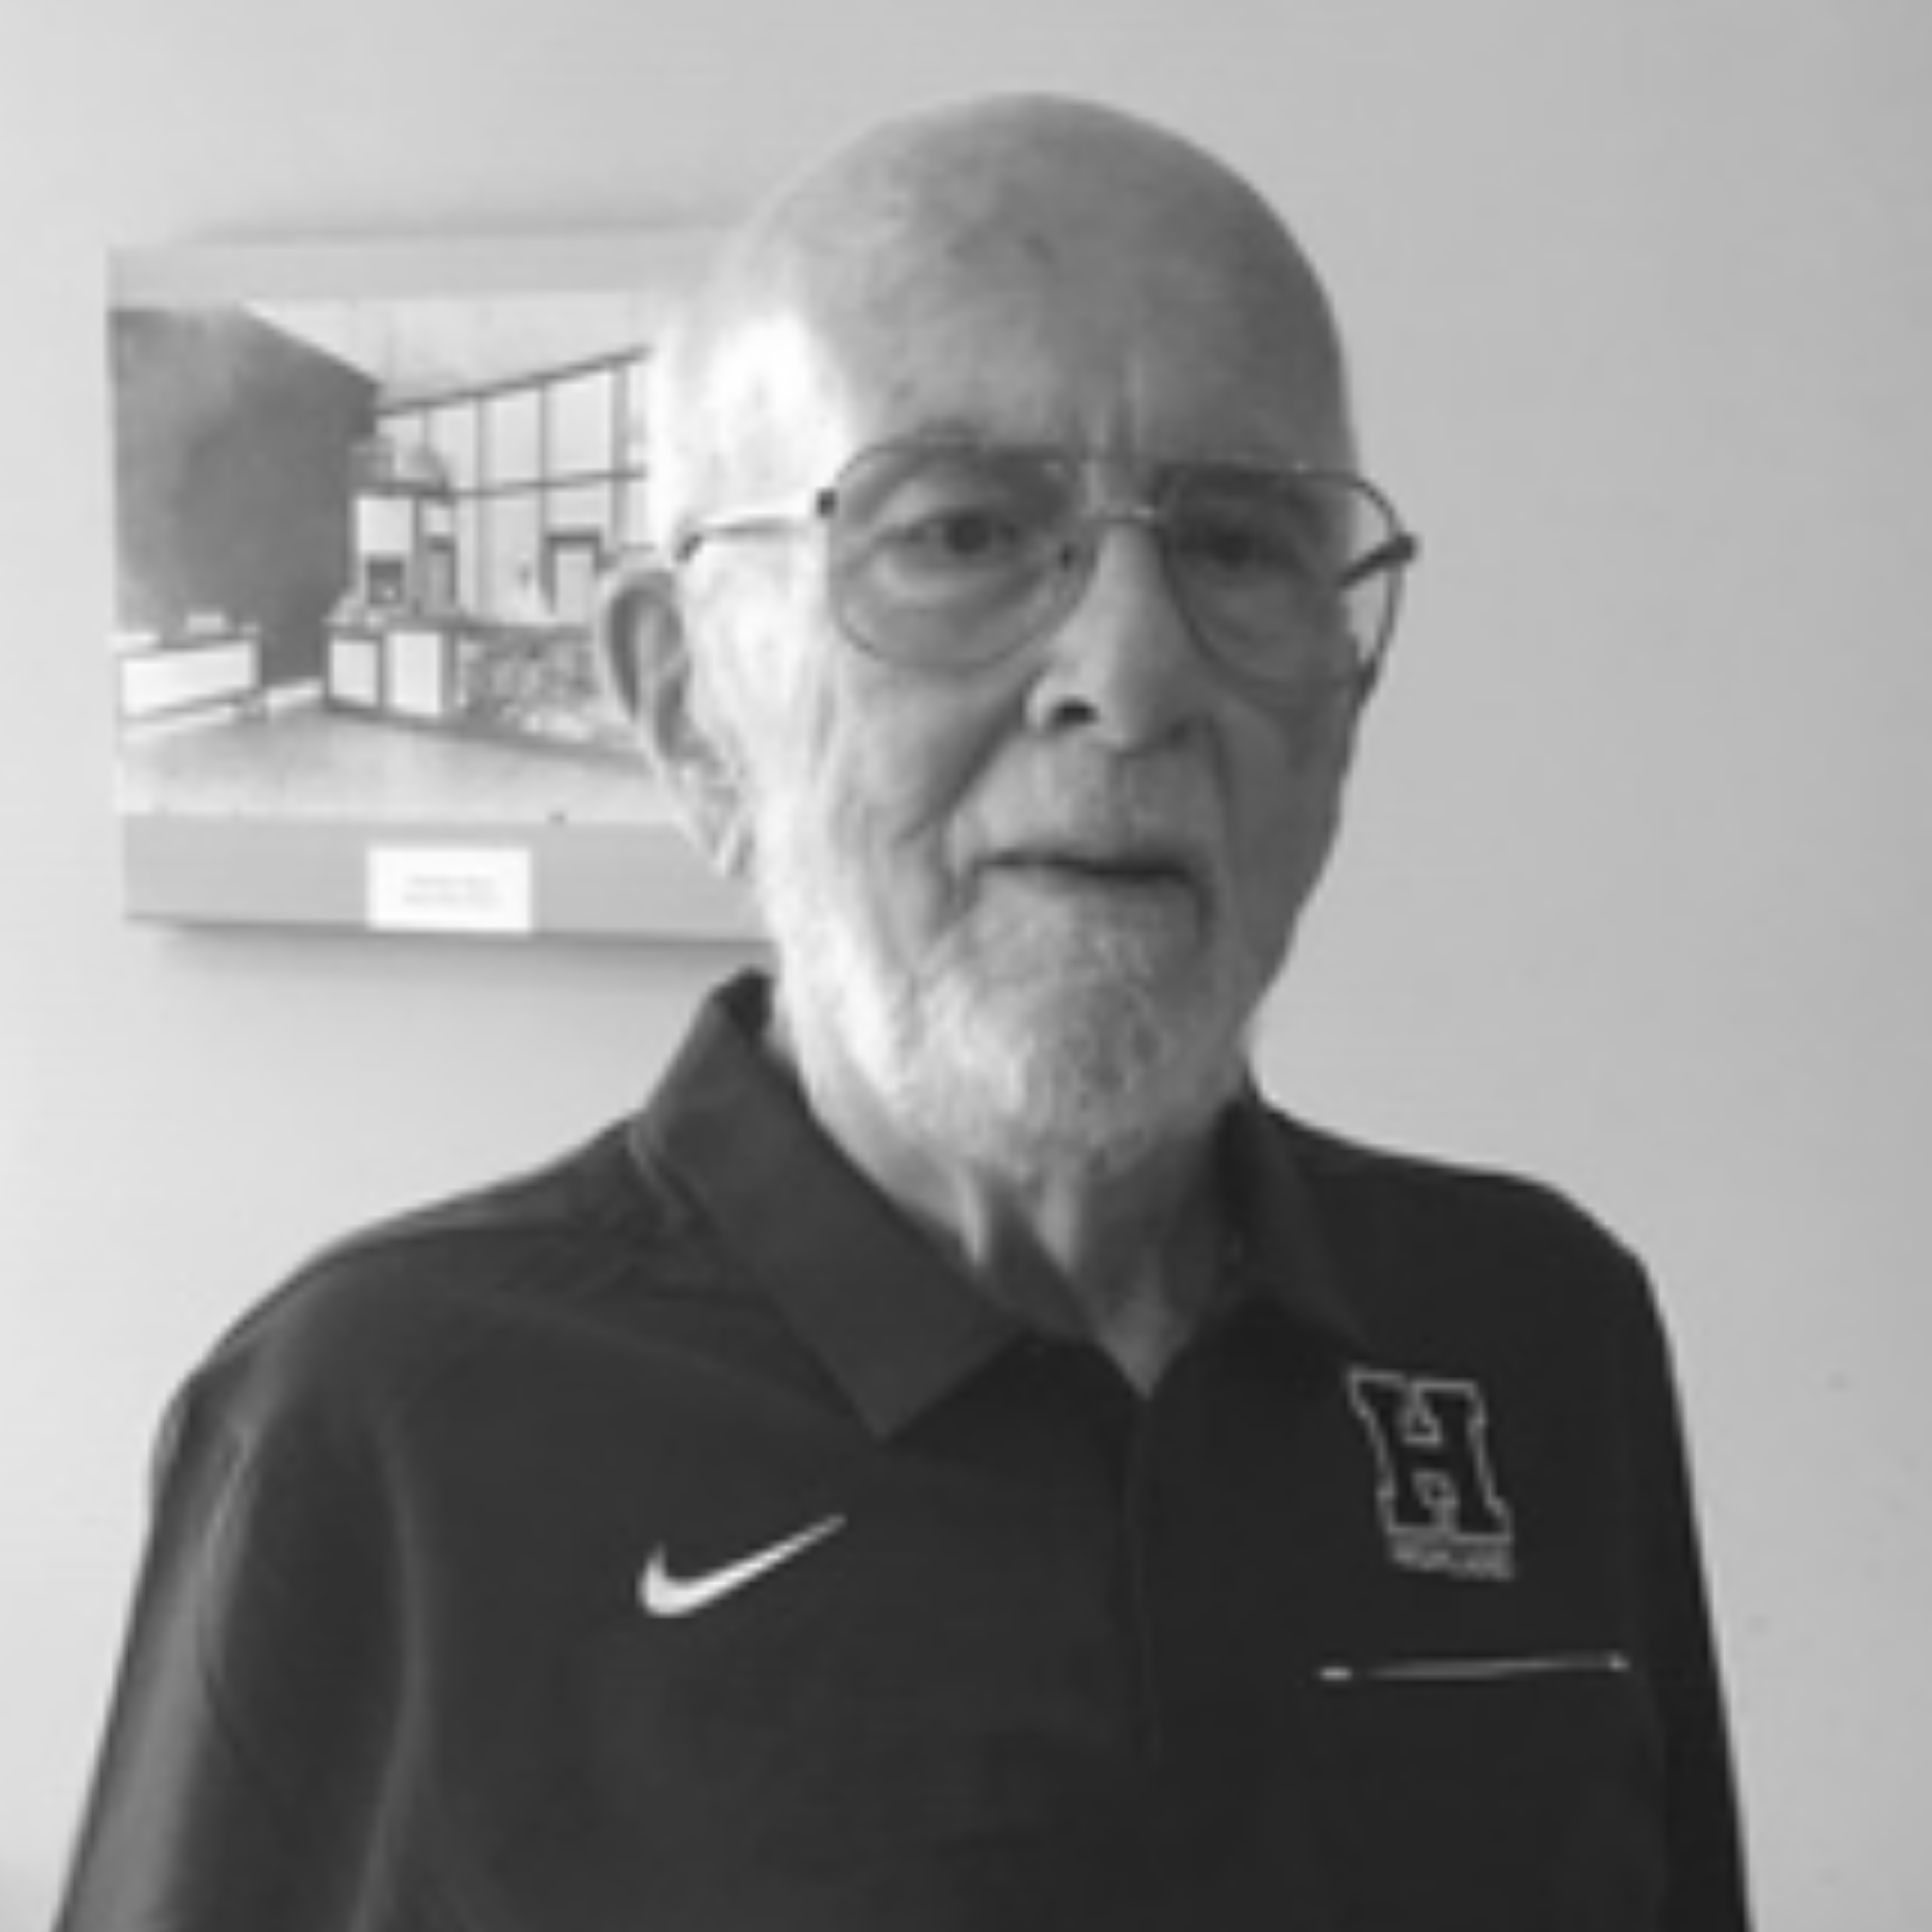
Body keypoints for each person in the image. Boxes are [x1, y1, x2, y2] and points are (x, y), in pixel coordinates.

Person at [56, 94, 1752, 1930]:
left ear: (1343, 696)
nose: (1130, 674)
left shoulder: (1535, 1331)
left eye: (1241, 544)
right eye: (958, 532)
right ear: (692, 706)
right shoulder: (383, 1424)